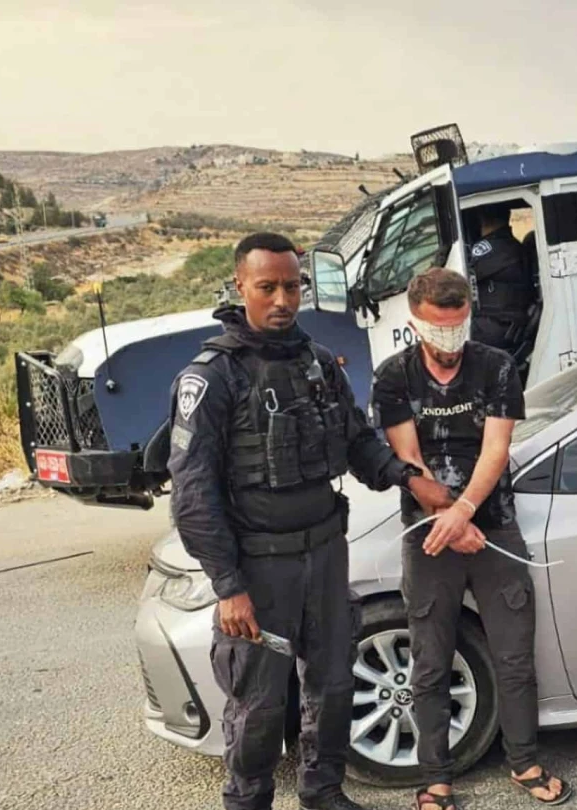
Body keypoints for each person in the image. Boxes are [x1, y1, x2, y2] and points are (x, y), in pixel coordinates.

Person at [166, 233, 453, 810]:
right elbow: (193, 495)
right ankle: (247, 800)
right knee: (259, 703)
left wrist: (408, 477)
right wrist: (229, 587)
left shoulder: (319, 364)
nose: (281, 300)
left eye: (292, 286)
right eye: (266, 287)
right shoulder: (213, 376)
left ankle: (323, 794)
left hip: (324, 556)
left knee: (334, 686)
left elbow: (357, 443)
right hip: (260, 570)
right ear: (240, 286)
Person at [371, 267, 572, 810]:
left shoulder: (497, 367)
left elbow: (495, 451)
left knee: (513, 657)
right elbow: (408, 462)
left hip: (493, 523)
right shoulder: (394, 377)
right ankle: (436, 778)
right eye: (439, 330)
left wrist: (465, 511)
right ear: (415, 324)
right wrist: (451, 521)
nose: (450, 341)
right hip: (429, 531)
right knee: (431, 662)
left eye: (459, 327)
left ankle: (524, 761)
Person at [465, 203, 537, 359]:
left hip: (494, 328)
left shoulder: (489, 248)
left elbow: (456, 278)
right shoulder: (513, 246)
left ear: (480, 219)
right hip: (509, 326)